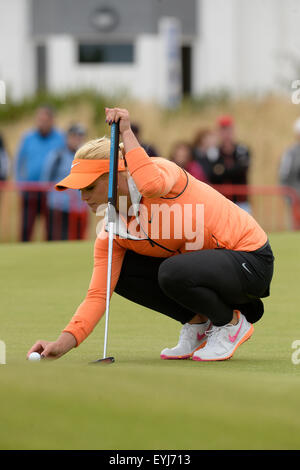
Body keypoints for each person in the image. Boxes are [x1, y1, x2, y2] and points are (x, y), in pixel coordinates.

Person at [27, 107, 274, 363]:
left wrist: (126, 132)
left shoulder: (161, 173)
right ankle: (198, 323)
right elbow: (98, 295)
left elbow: (151, 185)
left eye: (89, 186)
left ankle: (230, 324)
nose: (83, 196)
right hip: (209, 273)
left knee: (172, 271)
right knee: (120, 272)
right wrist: (62, 343)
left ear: (116, 176)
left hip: (250, 260)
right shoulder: (113, 229)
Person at [15, 106, 65, 241]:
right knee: (26, 227)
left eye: (45, 120)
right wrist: (20, 184)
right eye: (39, 120)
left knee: (51, 229)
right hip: (29, 190)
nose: (42, 123)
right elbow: (19, 162)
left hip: (50, 191)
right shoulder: (28, 137)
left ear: (52, 120)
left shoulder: (60, 138)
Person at [41, 124, 88, 241]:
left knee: (77, 241)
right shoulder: (57, 155)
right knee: (56, 240)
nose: (78, 140)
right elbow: (45, 179)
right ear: (68, 137)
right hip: (58, 206)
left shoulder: (86, 157)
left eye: (80, 137)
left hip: (79, 207)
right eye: (75, 136)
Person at [209, 115, 251, 212]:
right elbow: (212, 175)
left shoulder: (242, 149)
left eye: (229, 130)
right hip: (220, 201)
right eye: (223, 131)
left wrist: (222, 170)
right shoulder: (213, 152)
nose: (226, 134)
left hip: (241, 201)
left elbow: (241, 170)